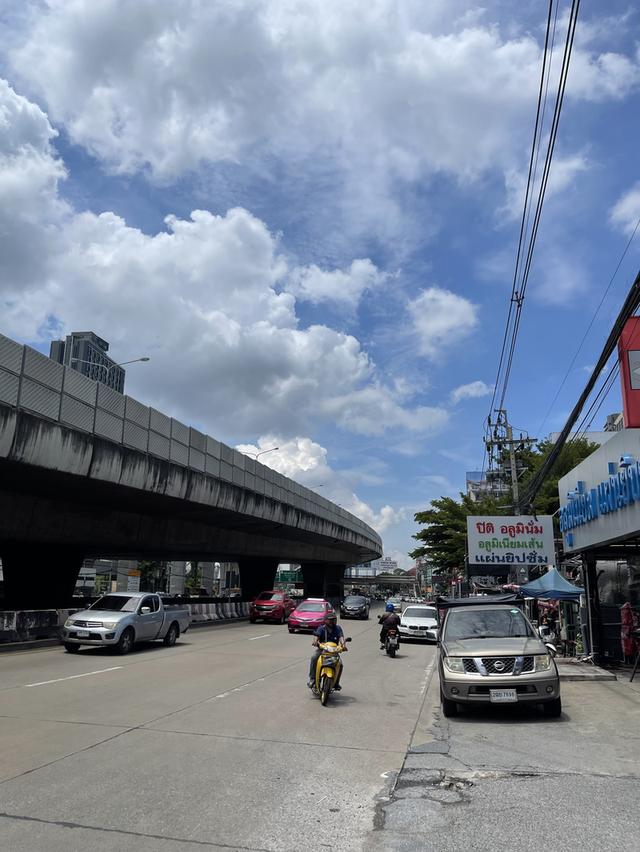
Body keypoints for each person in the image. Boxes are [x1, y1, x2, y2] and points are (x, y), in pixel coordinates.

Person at [308, 612, 346, 690]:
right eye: (331, 620)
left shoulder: (338, 628)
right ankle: (312, 679)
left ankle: (336, 683)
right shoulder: (321, 628)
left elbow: (341, 637)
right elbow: (316, 636)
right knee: (314, 657)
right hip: (322, 650)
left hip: (334, 652)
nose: (333, 621)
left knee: (340, 664)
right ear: (325, 621)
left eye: (334, 620)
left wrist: (344, 645)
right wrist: (315, 641)